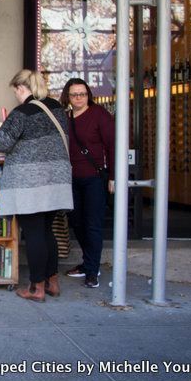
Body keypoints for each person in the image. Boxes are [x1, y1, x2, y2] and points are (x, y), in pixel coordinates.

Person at [0, 70, 73, 303]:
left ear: (21, 88)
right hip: (56, 177)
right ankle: (52, 282)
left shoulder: (22, 112)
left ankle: (36, 287)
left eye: (15, 91)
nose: (15, 95)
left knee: (34, 232)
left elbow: (1, 142)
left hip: (31, 181)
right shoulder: (56, 108)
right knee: (47, 230)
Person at [59, 78, 115, 289]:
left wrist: (113, 177)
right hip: (71, 179)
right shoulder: (65, 117)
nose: (79, 98)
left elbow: (113, 146)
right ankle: (88, 262)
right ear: (68, 96)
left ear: (88, 94)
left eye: (82, 94)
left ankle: (92, 271)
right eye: (74, 95)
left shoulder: (99, 115)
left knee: (93, 225)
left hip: (94, 178)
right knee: (77, 222)